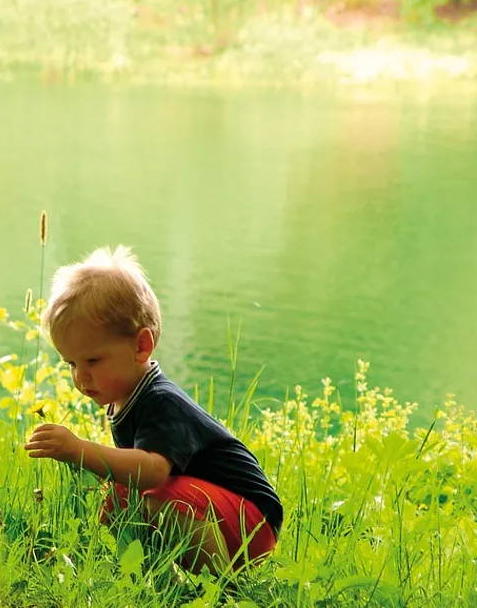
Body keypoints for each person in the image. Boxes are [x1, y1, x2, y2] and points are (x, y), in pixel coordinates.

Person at [24, 245, 283, 573]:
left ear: (141, 346)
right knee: (120, 497)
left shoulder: (161, 400)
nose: (80, 376)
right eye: (71, 363)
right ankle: (146, 573)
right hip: (217, 513)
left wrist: (78, 449)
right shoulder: (128, 398)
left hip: (252, 523)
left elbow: (153, 471)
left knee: (161, 495)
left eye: (92, 360)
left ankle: (220, 586)